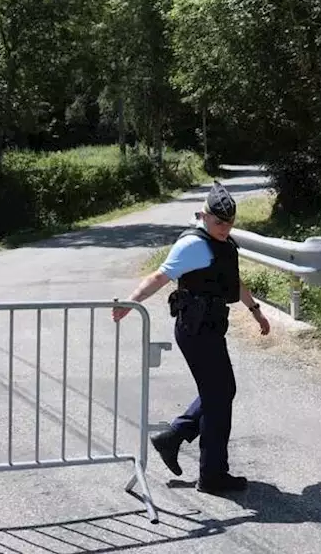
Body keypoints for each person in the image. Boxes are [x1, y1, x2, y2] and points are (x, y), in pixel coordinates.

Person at [111, 181, 270, 494]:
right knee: (218, 397)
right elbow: (159, 276)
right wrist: (132, 302)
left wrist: (255, 311)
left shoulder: (222, 244)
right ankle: (211, 474)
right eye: (219, 222)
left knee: (221, 392)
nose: (225, 228)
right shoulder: (193, 245)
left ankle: (173, 437)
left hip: (210, 327)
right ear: (204, 215)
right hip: (194, 330)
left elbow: (233, 282)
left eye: (229, 223)